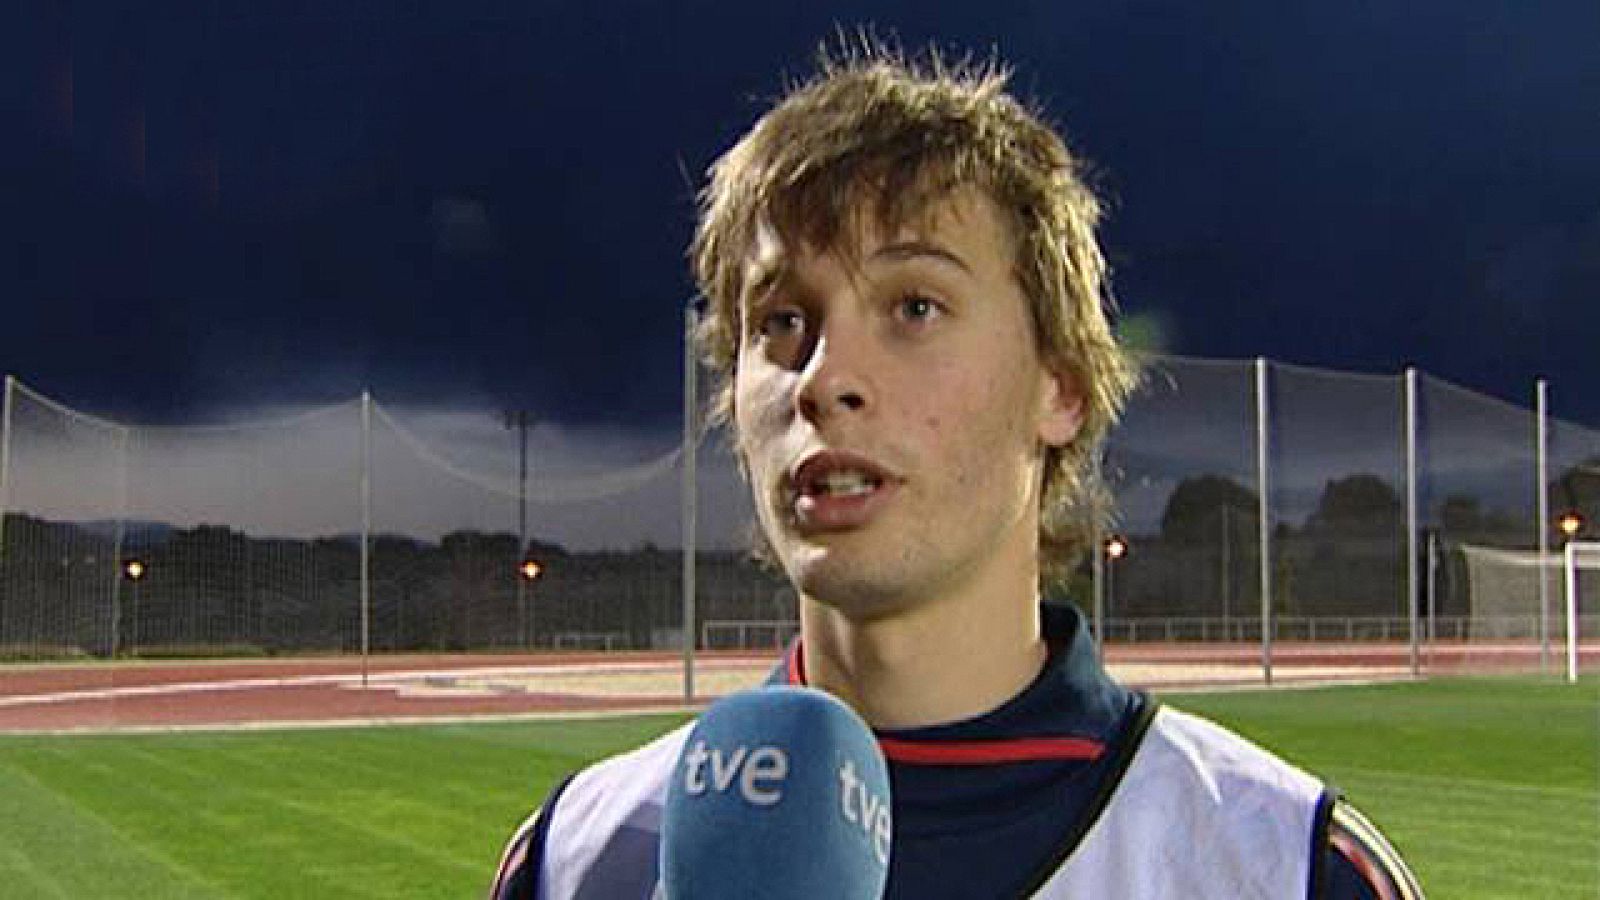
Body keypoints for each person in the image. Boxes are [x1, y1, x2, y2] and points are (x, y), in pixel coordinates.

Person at [491, 42, 1423, 900]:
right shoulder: (576, 856)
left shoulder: (1283, 866)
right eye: (779, 322)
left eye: (915, 306)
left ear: (1059, 386)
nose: (824, 378)